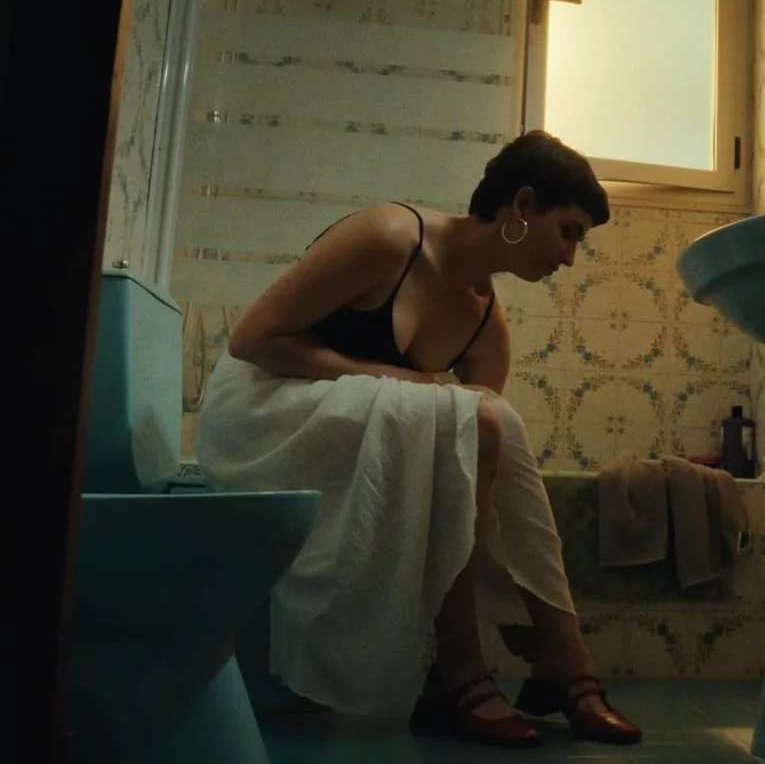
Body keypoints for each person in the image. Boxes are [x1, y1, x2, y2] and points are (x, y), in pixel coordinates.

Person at [194, 131, 642, 748]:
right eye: (568, 232)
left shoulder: (486, 325)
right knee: (471, 416)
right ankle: (484, 665)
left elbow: (476, 472)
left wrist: (514, 596)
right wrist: (404, 379)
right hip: (264, 410)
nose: (569, 258)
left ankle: (550, 653)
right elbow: (252, 340)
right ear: (522, 204)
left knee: (490, 422)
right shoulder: (390, 238)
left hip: (343, 426)